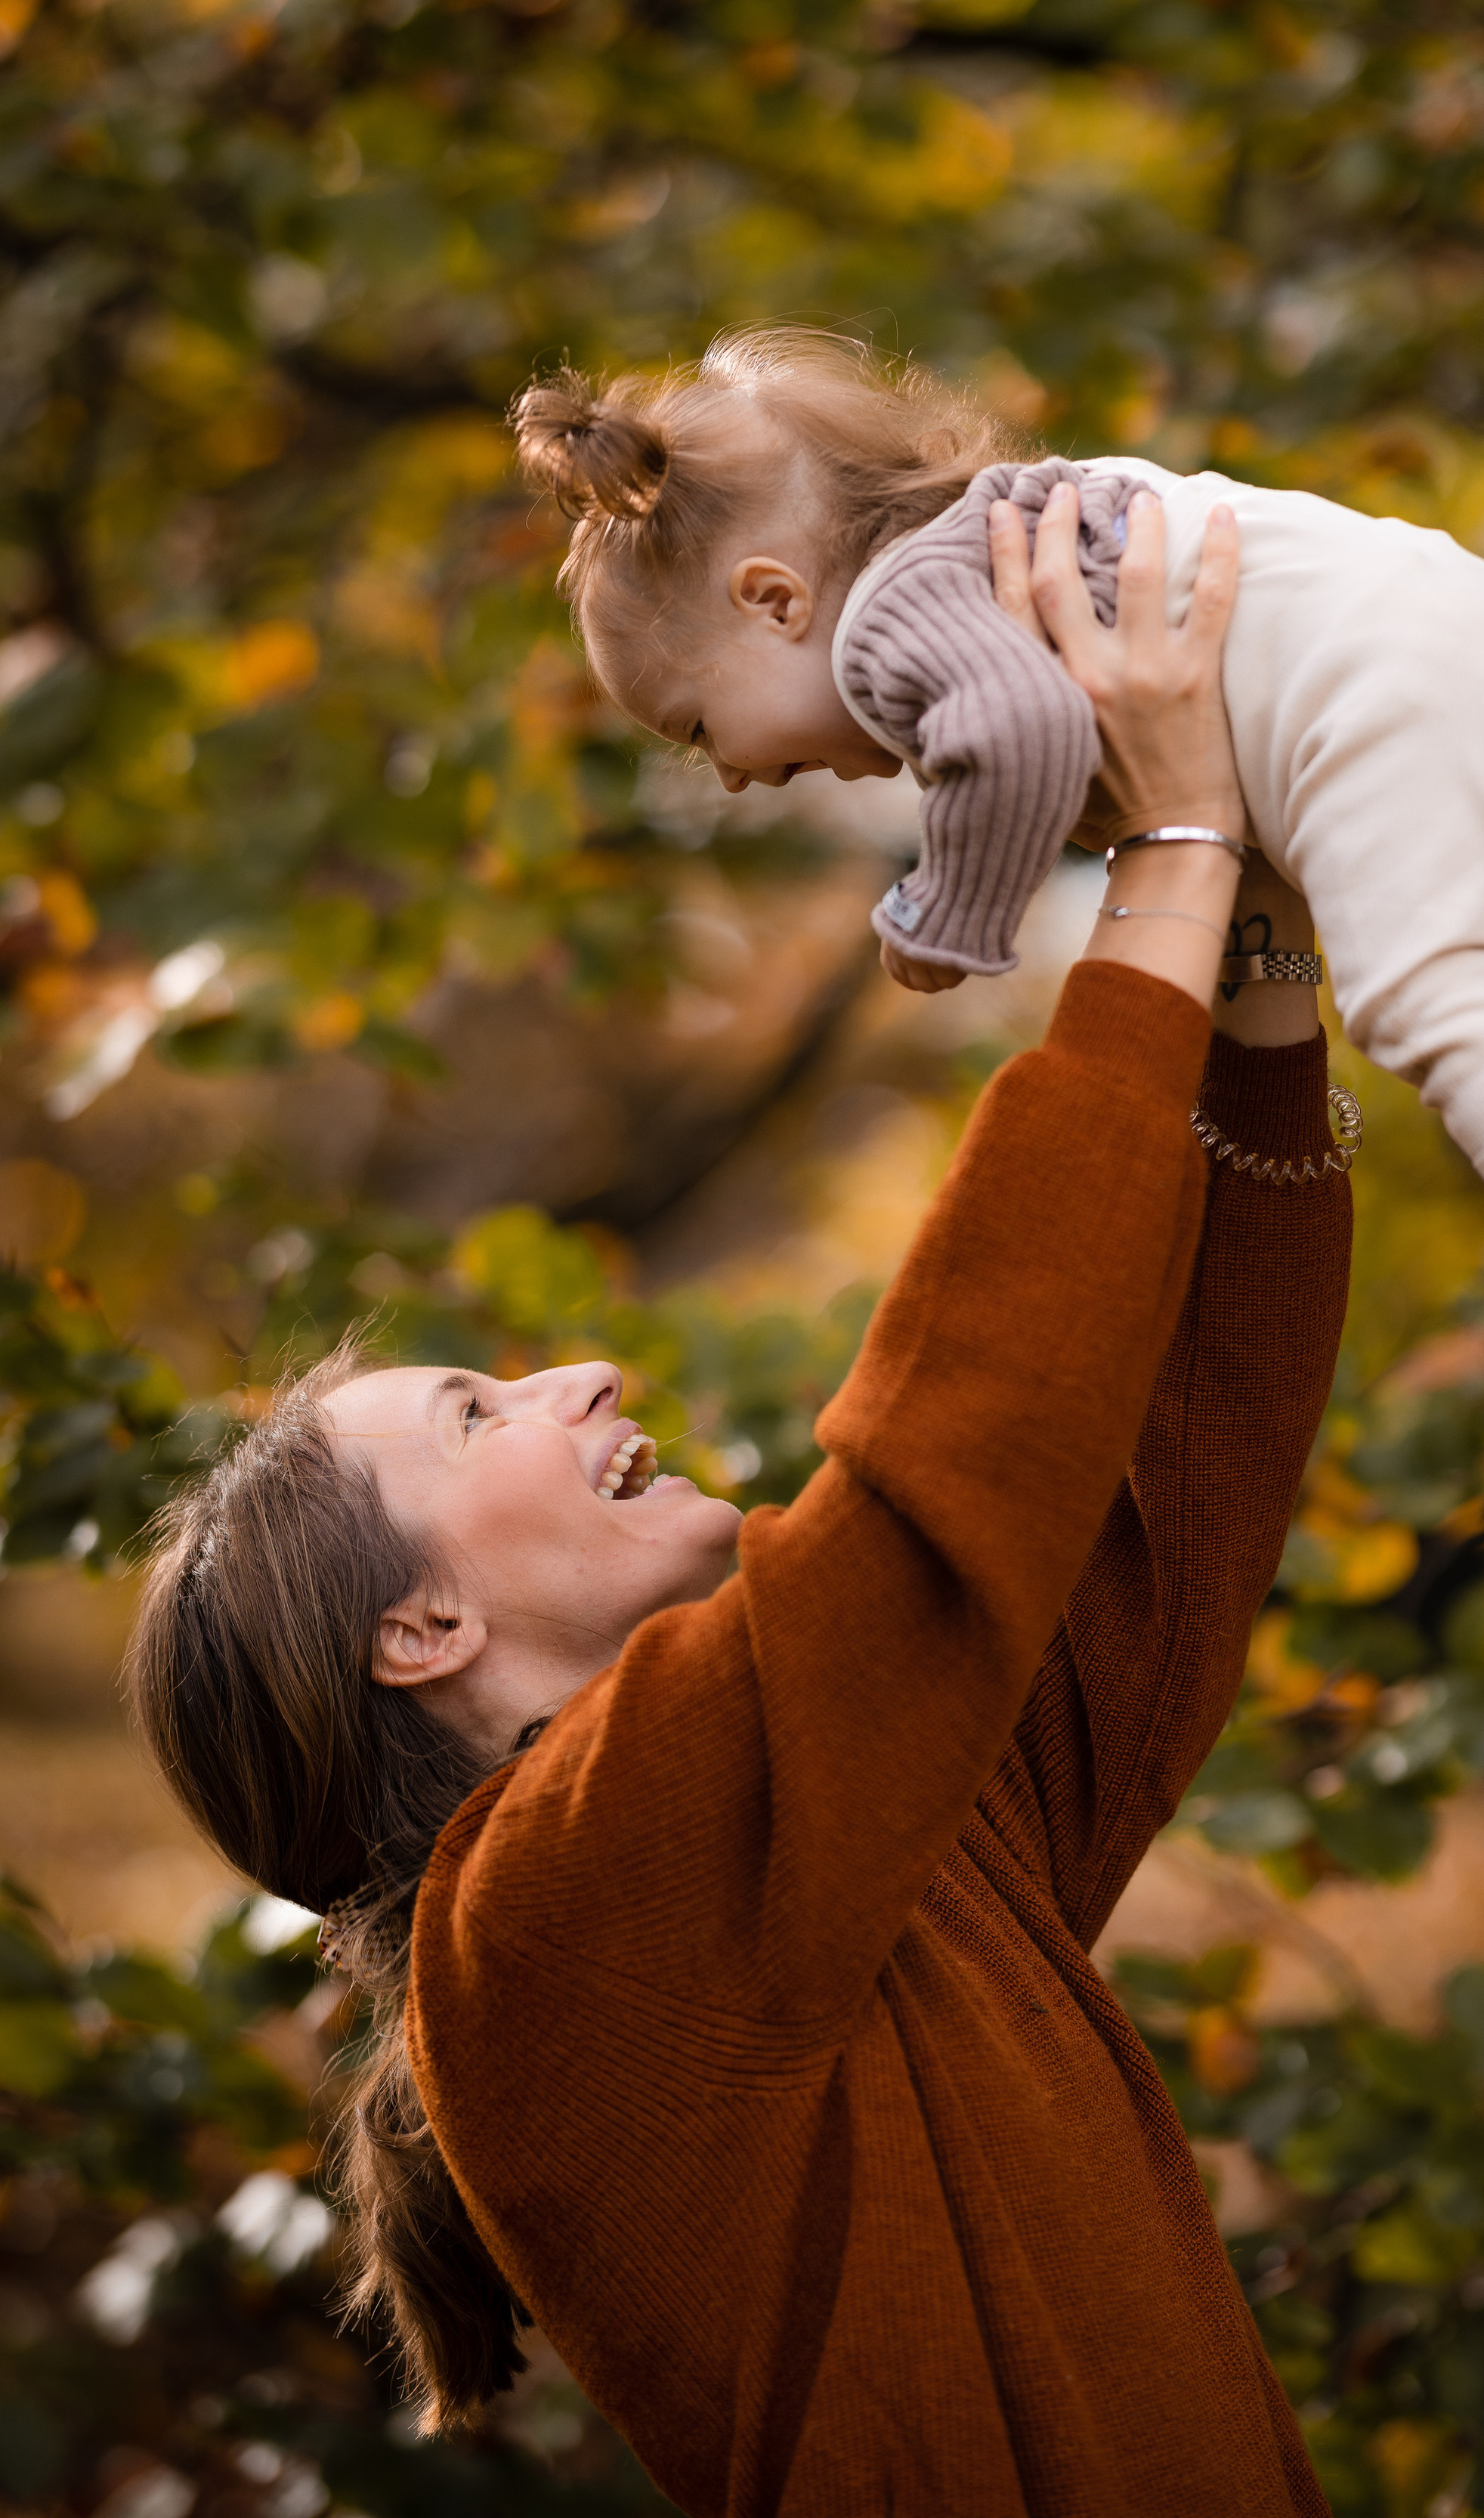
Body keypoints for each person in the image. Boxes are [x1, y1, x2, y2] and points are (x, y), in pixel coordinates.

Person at [128, 496, 1355, 2517]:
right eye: (476, 1404)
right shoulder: (538, 1925)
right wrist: (1172, 847)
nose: (583, 1373)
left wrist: (1261, 956)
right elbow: (947, 1453)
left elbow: (1171, 1505)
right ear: (417, 1627)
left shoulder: (860, 1834)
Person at [512, 329, 1484, 1481]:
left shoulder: (892, 614)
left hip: (1379, 693)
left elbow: (1013, 738)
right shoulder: (1006, 525)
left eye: (699, 727)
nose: (735, 772)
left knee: (1424, 992)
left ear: (775, 599)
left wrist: (945, 914)